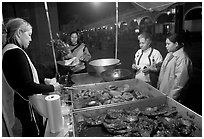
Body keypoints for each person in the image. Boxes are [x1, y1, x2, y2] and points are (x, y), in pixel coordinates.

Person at [2, 18, 61, 137]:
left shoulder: (8, 50)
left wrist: (44, 80)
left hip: (20, 105)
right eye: (29, 35)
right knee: (34, 133)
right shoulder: (15, 53)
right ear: (19, 33)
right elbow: (28, 86)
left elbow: (23, 77)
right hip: (24, 105)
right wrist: (52, 87)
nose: (31, 39)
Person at [157, 33, 193, 102]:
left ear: (176, 44)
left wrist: (171, 98)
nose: (166, 46)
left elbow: (180, 82)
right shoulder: (169, 54)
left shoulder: (182, 59)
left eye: (168, 44)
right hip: (163, 92)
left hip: (172, 97)